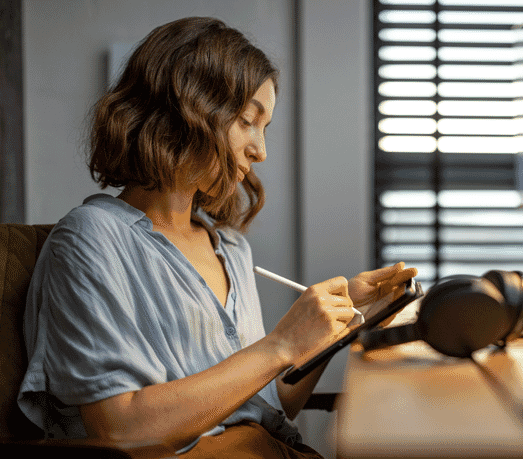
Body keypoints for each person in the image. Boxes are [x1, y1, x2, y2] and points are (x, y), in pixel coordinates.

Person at [17, 17, 417, 458]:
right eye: (248, 120)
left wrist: (328, 333)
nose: (260, 150)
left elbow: (266, 406)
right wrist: (281, 343)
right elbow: (120, 429)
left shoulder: (230, 249)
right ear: (189, 109)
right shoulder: (91, 239)